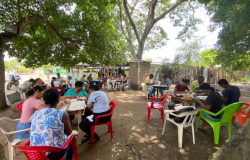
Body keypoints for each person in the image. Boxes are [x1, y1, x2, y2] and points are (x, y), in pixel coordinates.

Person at [29, 89, 74, 160]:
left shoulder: (36, 113)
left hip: (35, 154)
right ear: (57, 100)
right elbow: (69, 132)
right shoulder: (62, 114)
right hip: (52, 153)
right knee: (74, 137)